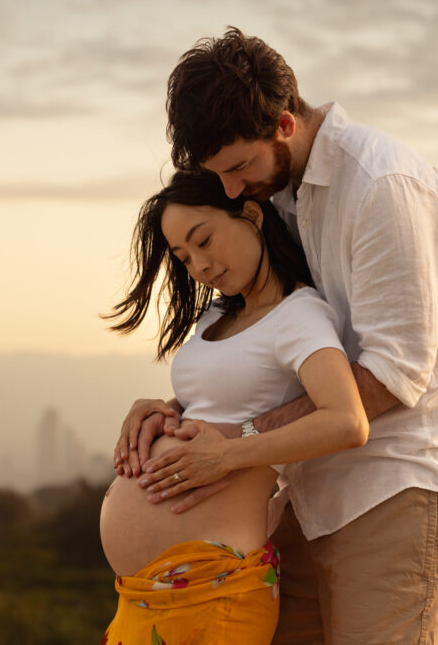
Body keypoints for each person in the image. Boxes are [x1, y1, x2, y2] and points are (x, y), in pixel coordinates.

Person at [116, 27, 438, 644]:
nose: (232, 189)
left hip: (399, 491)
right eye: (220, 176)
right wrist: (173, 413)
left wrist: (234, 440)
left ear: (285, 122)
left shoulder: (382, 186)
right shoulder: (278, 195)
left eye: (239, 167)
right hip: (308, 500)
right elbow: (269, 348)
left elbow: (394, 377)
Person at [99, 170, 368, 644]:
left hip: (216, 592)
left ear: (249, 214)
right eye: (183, 258)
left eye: (204, 241)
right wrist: (159, 409)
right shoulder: (215, 317)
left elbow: (346, 420)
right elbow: (214, 403)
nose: (199, 266)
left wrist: (227, 455)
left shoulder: (298, 315)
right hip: (139, 595)